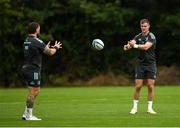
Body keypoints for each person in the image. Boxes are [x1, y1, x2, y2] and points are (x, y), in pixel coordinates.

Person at [21, 22, 62, 120]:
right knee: (33, 92)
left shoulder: (26, 40)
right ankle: (28, 115)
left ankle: (26, 113)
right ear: (36, 30)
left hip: (26, 68)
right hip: (33, 70)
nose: (39, 30)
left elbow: (36, 51)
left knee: (36, 90)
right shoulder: (37, 41)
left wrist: (44, 47)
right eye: (39, 28)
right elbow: (50, 53)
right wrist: (55, 47)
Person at [123, 19, 157, 114]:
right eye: (142, 26)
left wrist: (134, 46)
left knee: (150, 86)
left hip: (151, 64)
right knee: (138, 86)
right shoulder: (138, 36)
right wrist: (127, 46)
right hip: (141, 64)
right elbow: (131, 43)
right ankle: (134, 108)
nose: (143, 28)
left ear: (149, 26)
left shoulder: (152, 36)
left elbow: (146, 47)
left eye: (145, 26)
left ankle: (149, 108)